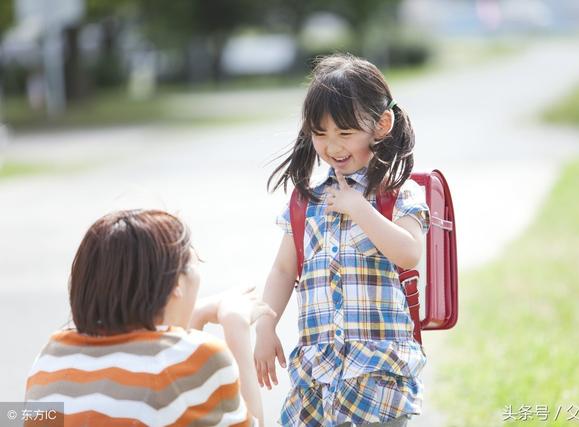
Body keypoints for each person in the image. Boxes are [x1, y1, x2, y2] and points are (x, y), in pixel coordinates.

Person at [253, 54, 430, 427]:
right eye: (321, 134)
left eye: (345, 133)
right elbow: (284, 269)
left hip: (378, 377)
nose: (332, 146)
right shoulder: (307, 201)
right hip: (318, 378)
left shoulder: (398, 195)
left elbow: (409, 252)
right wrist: (265, 326)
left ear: (381, 125)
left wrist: (359, 209)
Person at [25, 209, 274, 426]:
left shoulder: (49, 356)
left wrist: (193, 317)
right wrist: (235, 324)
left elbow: (19, 418)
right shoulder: (198, 357)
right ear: (176, 282)